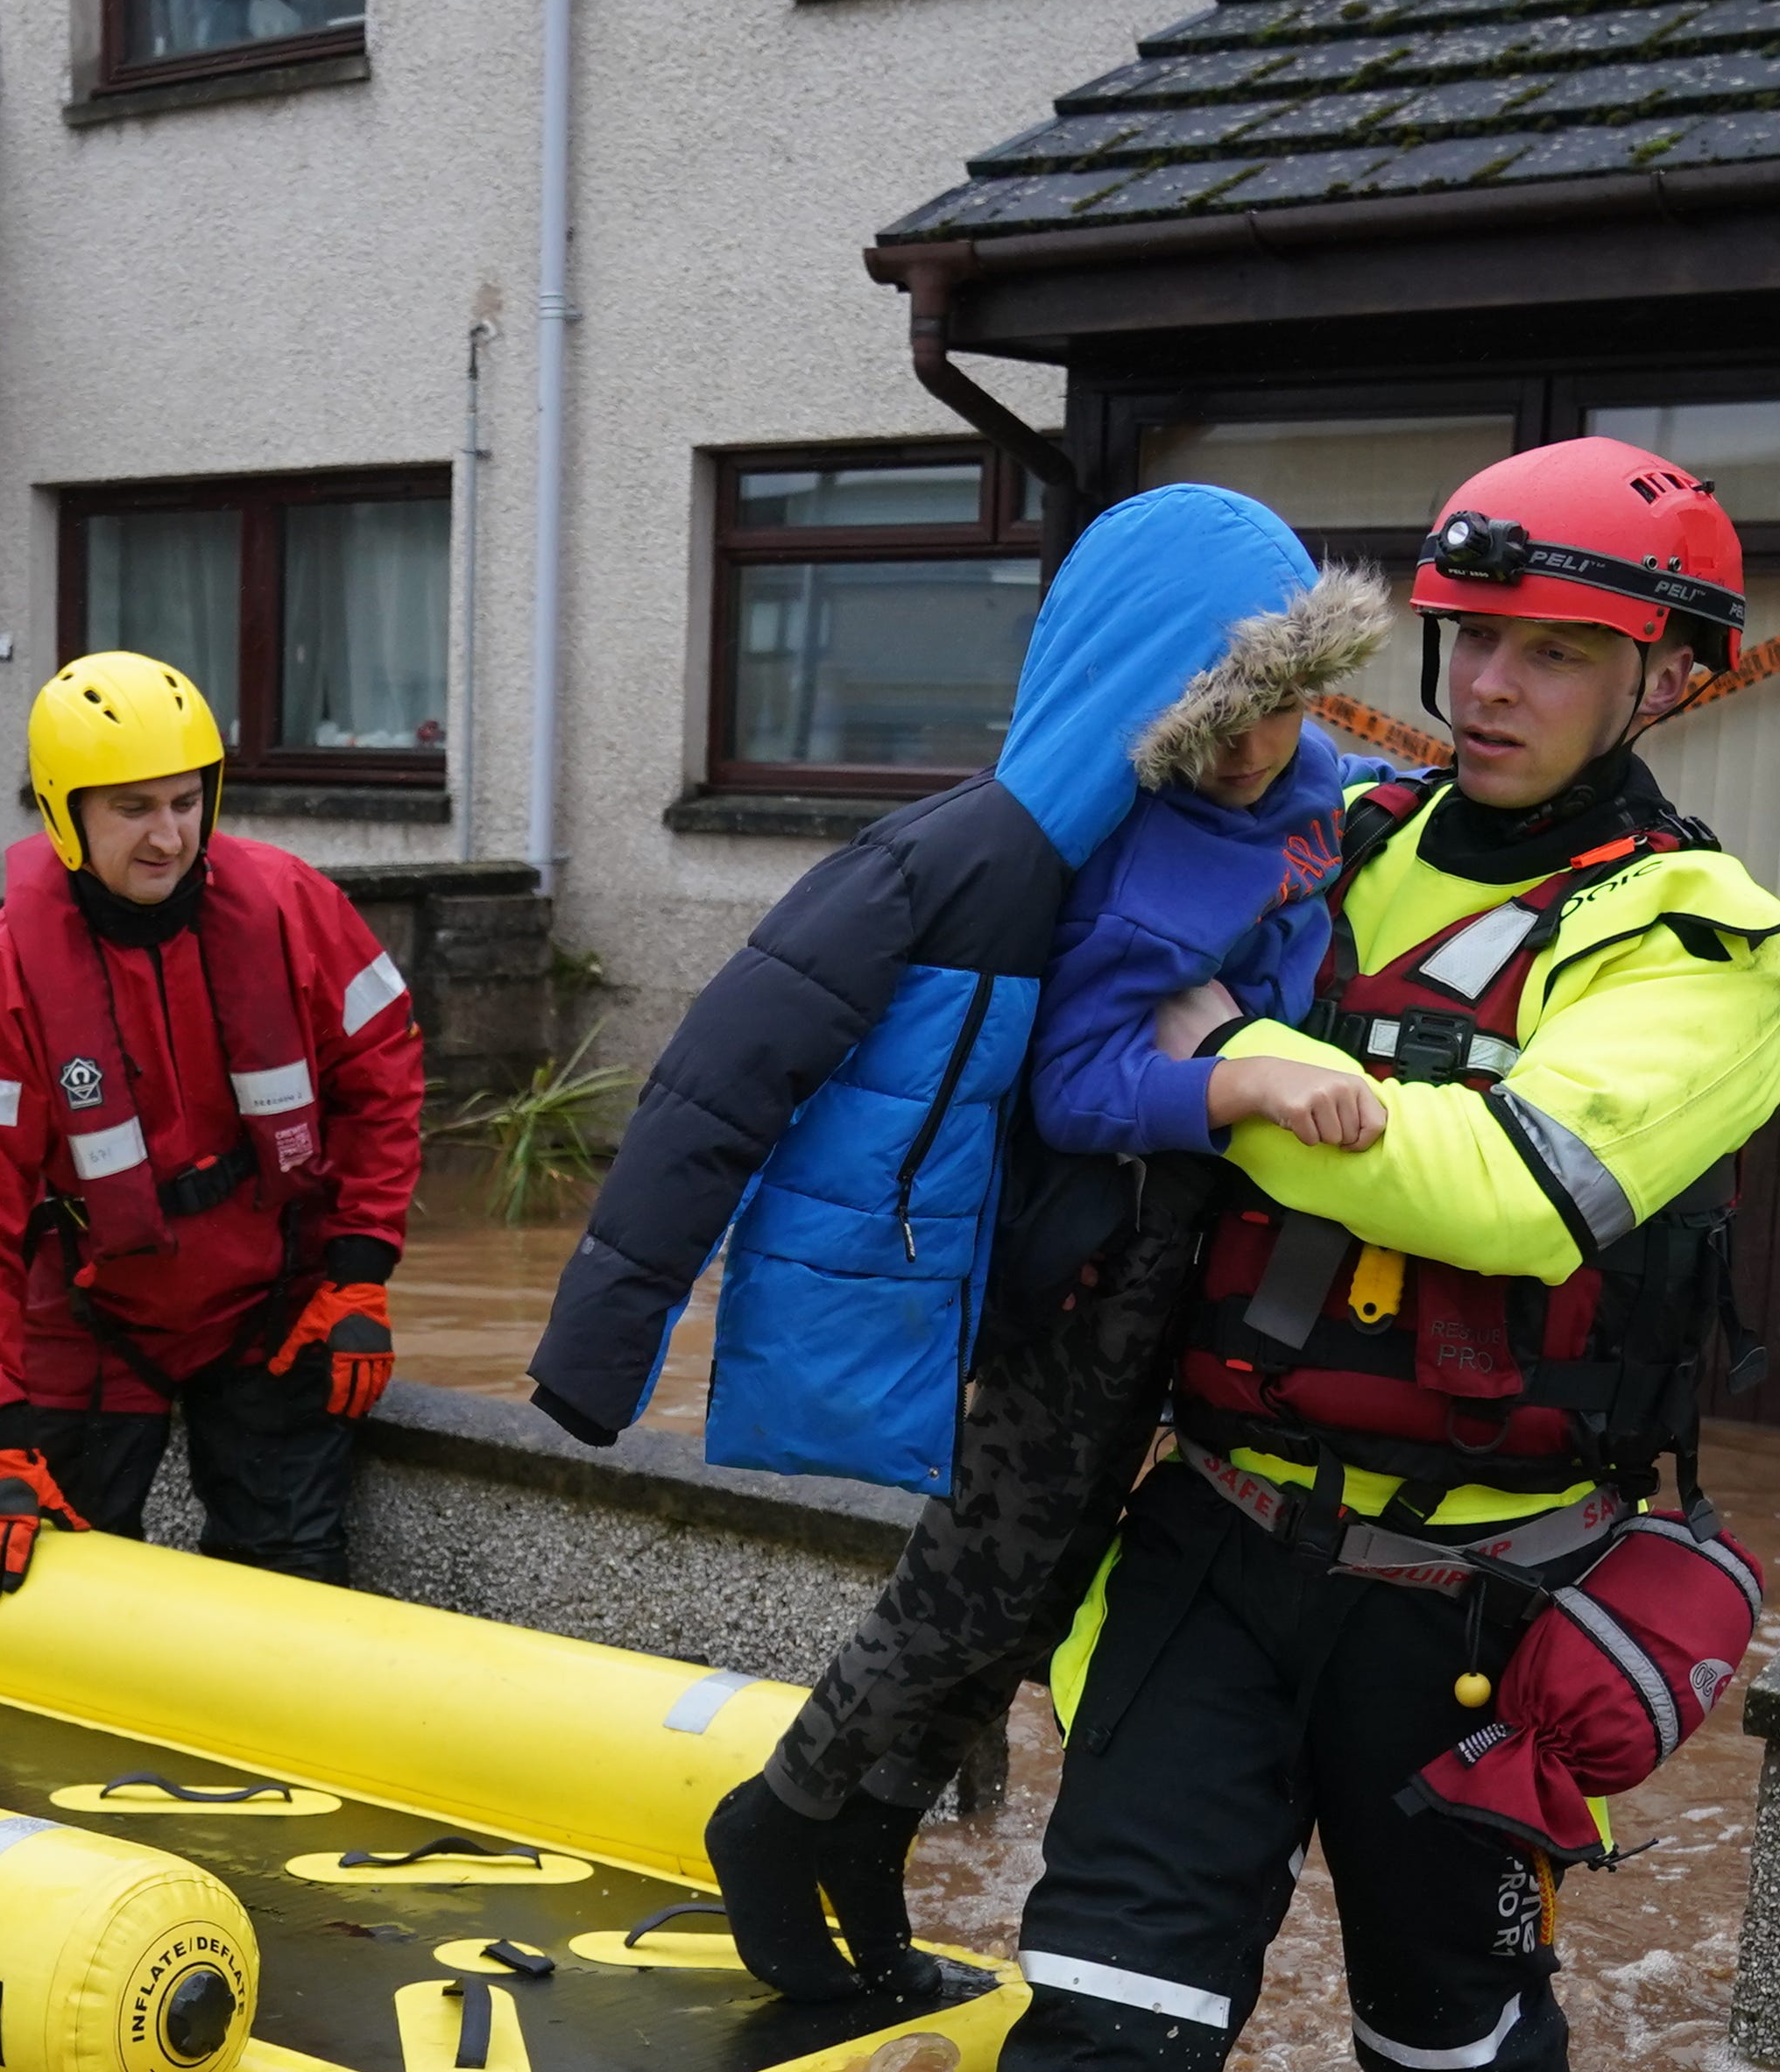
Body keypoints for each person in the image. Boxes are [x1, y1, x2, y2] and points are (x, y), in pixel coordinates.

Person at [989, 438, 1780, 2072]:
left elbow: (1511, 1193)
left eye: (1555, 652)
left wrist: (1227, 1054)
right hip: (1210, 1551)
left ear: (1666, 677)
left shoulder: (1702, 944)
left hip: (1480, 1614)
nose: (1489, 685)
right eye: (1468, 635)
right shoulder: (1322, 833)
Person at [525, 488, 1392, 1995]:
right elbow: (746, 1060)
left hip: (1186, 1281)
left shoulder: (1321, 802)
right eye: (1222, 709)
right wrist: (609, 1338)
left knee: (1041, 1596)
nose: (1256, 743)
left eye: (1284, 703)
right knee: (976, 1578)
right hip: (1062, 1282)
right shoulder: (1034, 853)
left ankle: (868, 1830)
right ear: (1147, 695)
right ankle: (784, 1817)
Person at [0, 652, 424, 1600]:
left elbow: (382, 1078)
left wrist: (359, 1274)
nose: (169, 836)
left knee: (297, 1577)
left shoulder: (293, 907)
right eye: (133, 808)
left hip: (275, 1296)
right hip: (90, 1317)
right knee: (62, 1601)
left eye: (186, 802)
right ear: (67, 815)